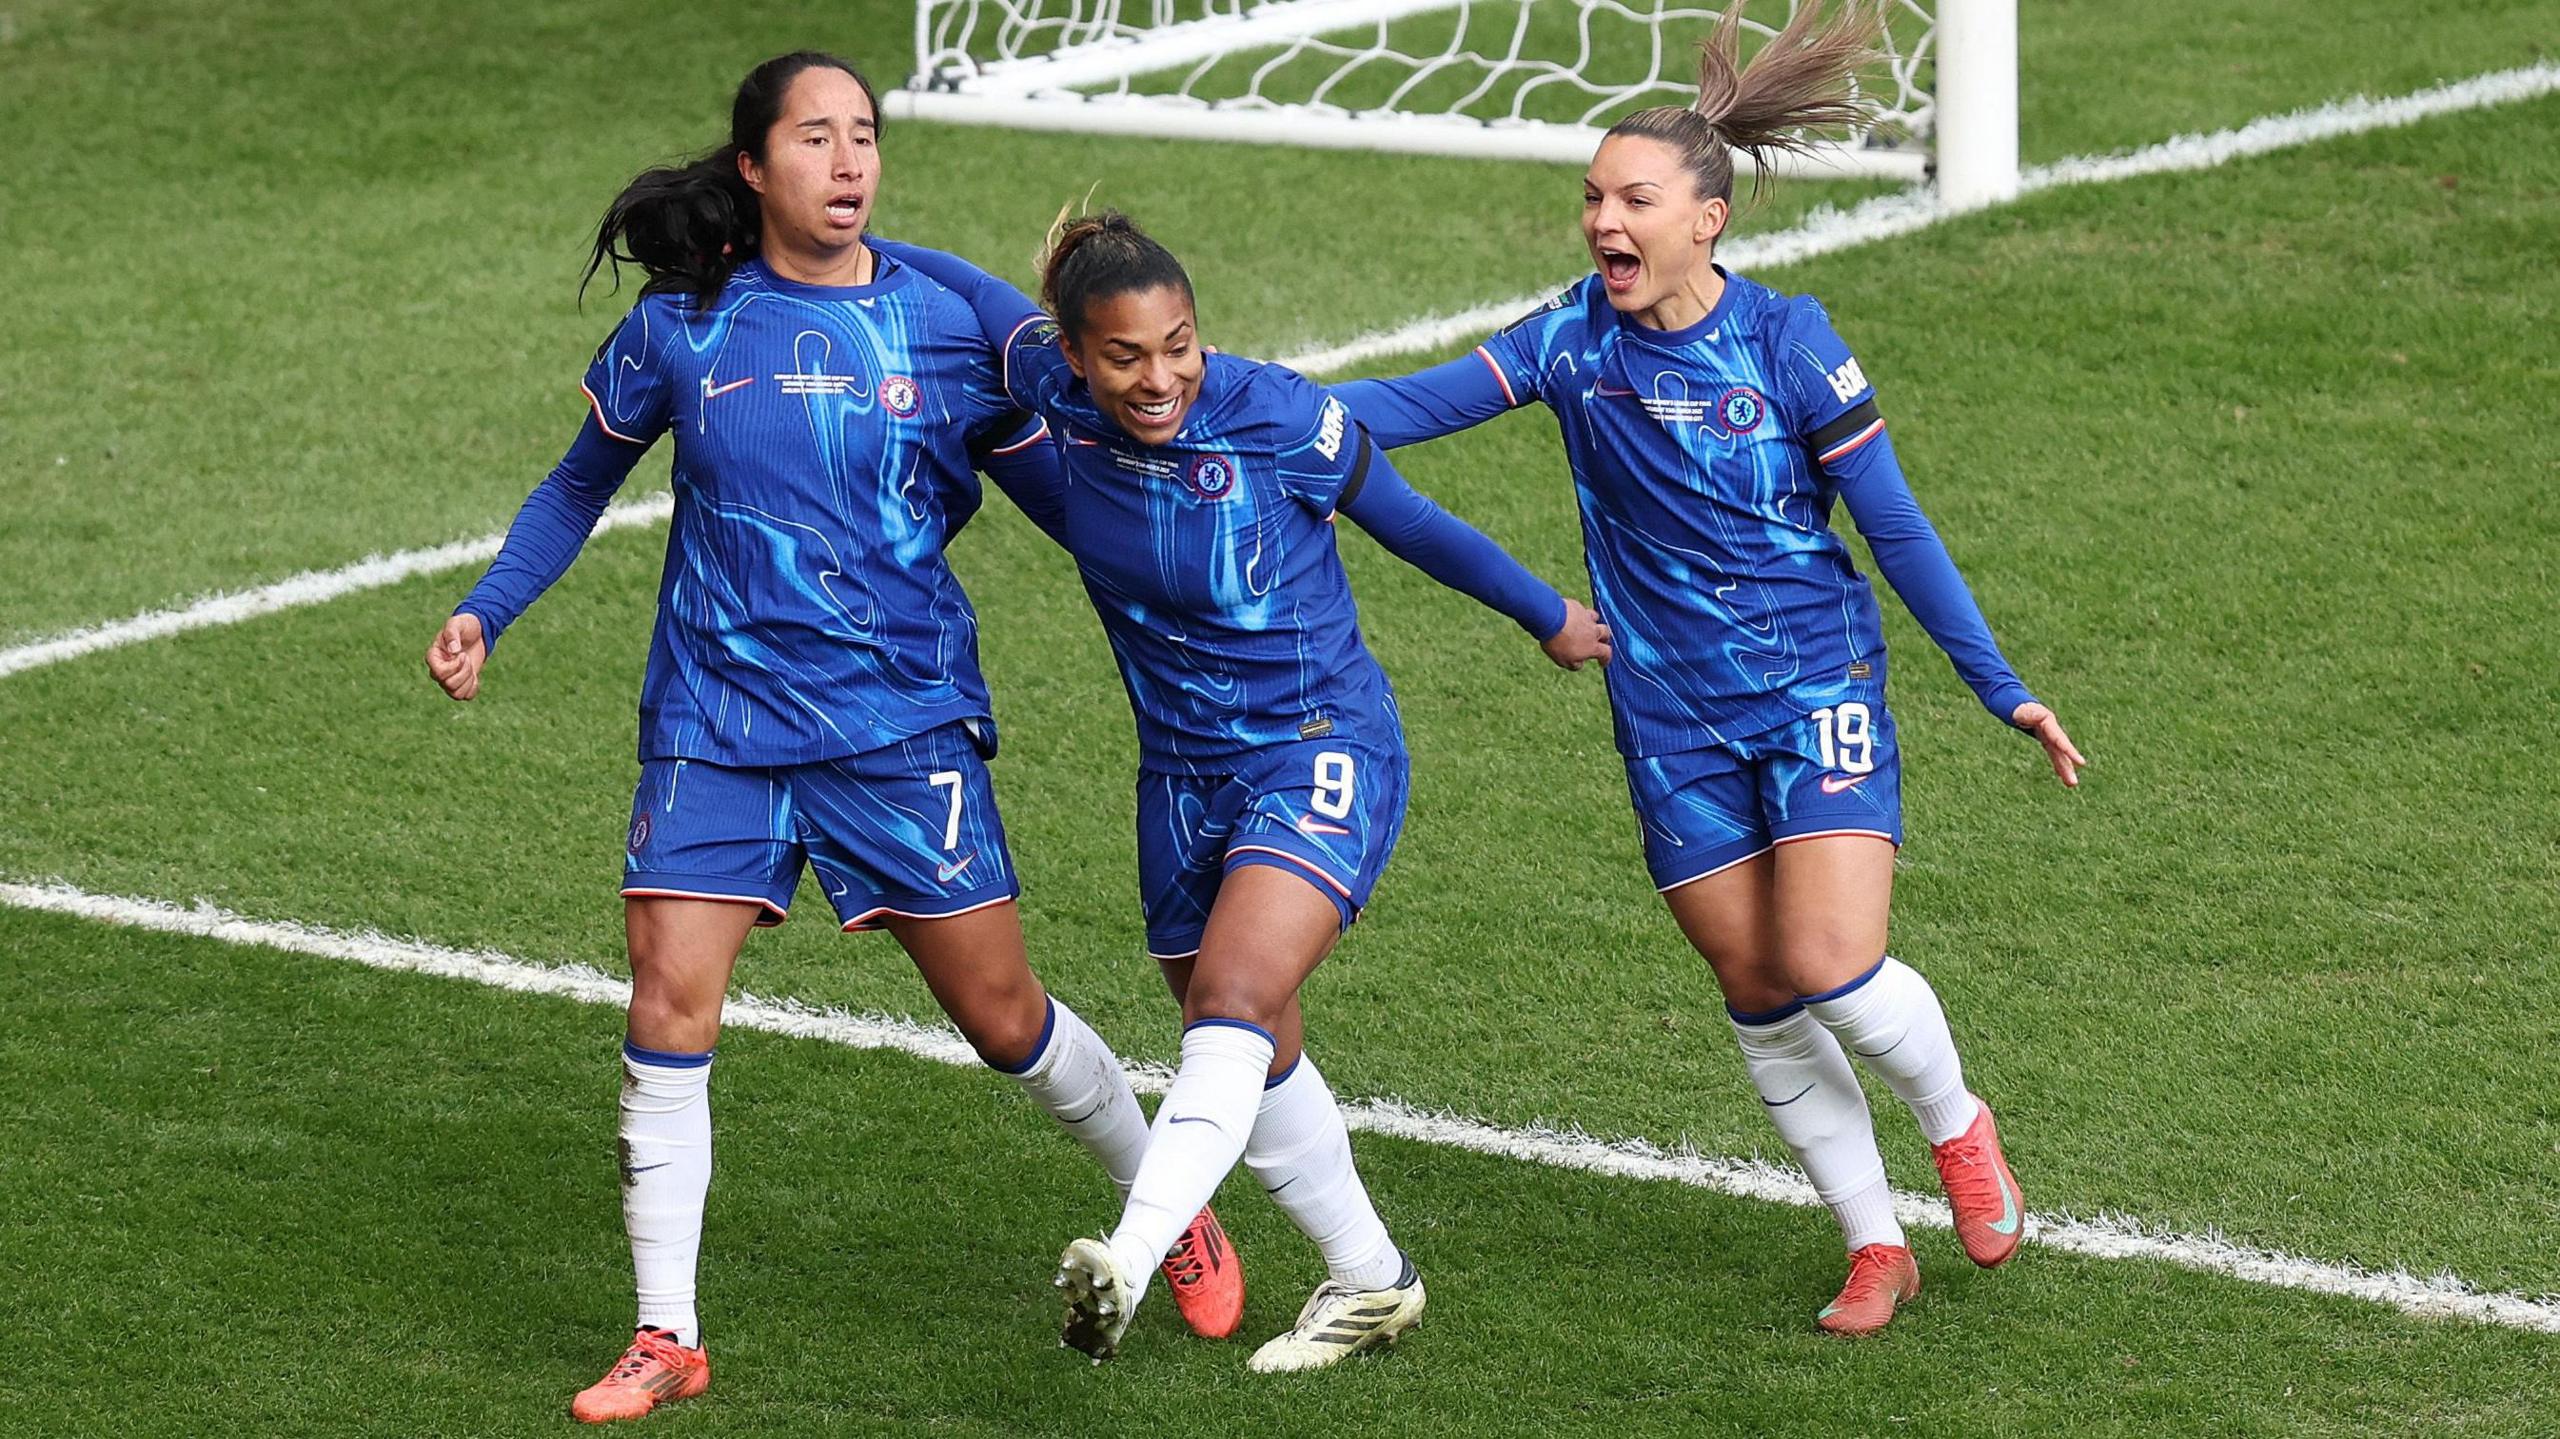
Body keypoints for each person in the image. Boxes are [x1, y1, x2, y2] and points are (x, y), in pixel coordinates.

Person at [422, 53, 1239, 1424]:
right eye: (817, 138)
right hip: (717, 720)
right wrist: (485, 608)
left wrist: (1209, 586)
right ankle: (666, 1330)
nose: (850, 161)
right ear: (754, 166)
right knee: (666, 1000)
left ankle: (1173, 1200)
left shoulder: (940, 324)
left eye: (865, 136)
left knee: (1004, 1016)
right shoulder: (684, 324)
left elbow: (1080, 514)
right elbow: (575, 487)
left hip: (896, 723)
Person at [1330, 1, 2085, 1337]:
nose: (1602, 224)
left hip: (1814, 691)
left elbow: (1893, 527)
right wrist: (1239, 397)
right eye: (1590, 200)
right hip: (1669, 716)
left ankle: (1958, 1123)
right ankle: (1872, 1240)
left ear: (1707, 217)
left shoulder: (1790, 345)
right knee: (1755, 983)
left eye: (1631, 199)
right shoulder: (1573, 340)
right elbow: (1414, 405)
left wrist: (1996, 680)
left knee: (1834, 960)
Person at [871, 215, 1612, 1370]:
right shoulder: (1046, 389)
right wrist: (816, 242)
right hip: (1177, 775)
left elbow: (1412, 523)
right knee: (1253, 1042)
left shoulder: (1270, 412)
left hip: (1317, 743)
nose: (1160, 376)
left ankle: (1131, 1247)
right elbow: (962, 284)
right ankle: (1372, 1279)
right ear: (1073, 354)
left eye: (1181, 344)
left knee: (1231, 990)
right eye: (1126, 355)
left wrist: (1548, 615)